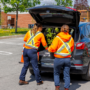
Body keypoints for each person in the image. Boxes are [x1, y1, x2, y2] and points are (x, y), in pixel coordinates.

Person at [48, 25, 74, 90]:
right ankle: (66, 88)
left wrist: (49, 49)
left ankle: (57, 87)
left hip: (58, 59)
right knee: (67, 75)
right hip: (67, 59)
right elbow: (72, 48)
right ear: (68, 30)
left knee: (56, 73)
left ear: (61, 29)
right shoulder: (71, 38)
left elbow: (53, 48)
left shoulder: (57, 38)